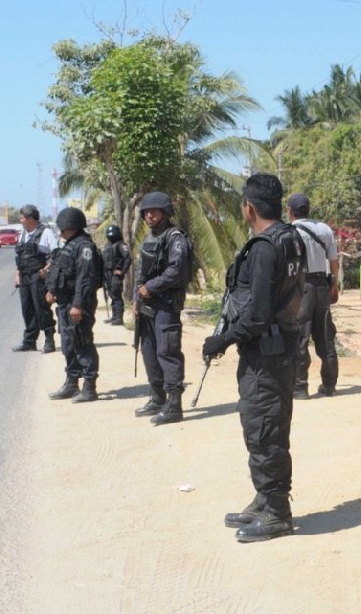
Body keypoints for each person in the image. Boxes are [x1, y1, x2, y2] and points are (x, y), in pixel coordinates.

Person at [202, 174, 305, 542]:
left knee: (264, 430)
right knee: (266, 426)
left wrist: (223, 339)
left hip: (265, 353)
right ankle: (265, 499)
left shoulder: (264, 246)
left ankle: (277, 512)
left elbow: (258, 314)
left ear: (248, 206)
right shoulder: (291, 237)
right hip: (281, 346)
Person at [133, 191, 192, 426]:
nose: (150, 216)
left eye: (154, 212)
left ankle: (174, 405)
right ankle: (157, 398)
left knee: (167, 352)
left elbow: (176, 272)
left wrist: (151, 287)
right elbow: (141, 271)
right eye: (146, 212)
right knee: (149, 352)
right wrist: (137, 299)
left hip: (166, 304)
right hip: (148, 304)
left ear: (166, 213)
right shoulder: (149, 238)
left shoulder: (175, 238)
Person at [44, 207, 102, 403]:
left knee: (82, 343)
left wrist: (78, 305)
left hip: (79, 304)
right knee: (68, 346)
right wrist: (52, 291)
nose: (61, 232)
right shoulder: (68, 245)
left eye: (64, 228)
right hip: (65, 303)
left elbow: (85, 279)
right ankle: (71, 383)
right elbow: (60, 271)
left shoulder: (84, 247)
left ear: (74, 227)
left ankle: (89, 387)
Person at [286, 192, 339, 399]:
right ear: (308, 209)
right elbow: (333, 262)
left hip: (301, 287)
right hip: (322, 285)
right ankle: (329, 384)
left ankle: (300, 387)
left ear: (290, 211)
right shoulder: (324, 229)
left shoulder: (290, 231)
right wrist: (333, 285)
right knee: (325, 334)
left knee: (300, 335)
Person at [13, 204, 58, 353]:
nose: (20, 220)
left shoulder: (45, 233)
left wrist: (46, 270)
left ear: (31, 219)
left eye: (23, 218)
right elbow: (20, 256)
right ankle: (29, 341)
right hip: (25, 276)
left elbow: (56, 255)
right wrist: (17, 274)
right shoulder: (23, 234)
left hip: (38, 277)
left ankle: (49, 340)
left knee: (42, 308)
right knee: (27, 309)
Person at [102, 224, 131, 325]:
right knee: (112, 295)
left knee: (116, 295)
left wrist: (122, 271)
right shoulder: (107, 246)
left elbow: (128, 259)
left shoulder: (120, 245)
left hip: (115, 275)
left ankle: (119, 318)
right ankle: (114, 316)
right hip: (107, 275)